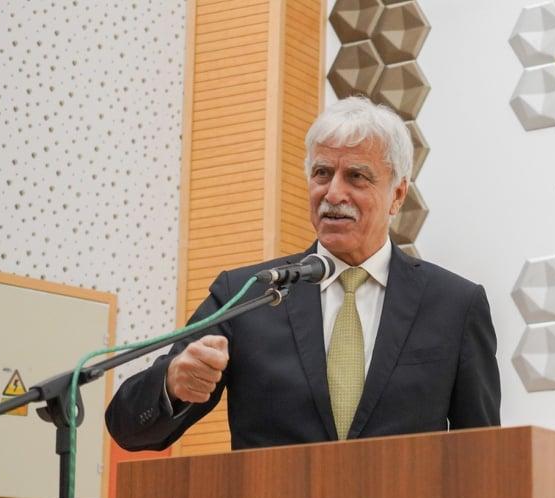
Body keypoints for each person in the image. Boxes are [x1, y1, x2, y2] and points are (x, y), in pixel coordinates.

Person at [105, 97, 500, 451]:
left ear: (397, 195)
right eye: (322, 173)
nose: (333, 194)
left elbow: (484, 457)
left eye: (357, 176)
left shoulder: (455, 306)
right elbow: (128, 429)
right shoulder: (249, 294)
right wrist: (171, 384)